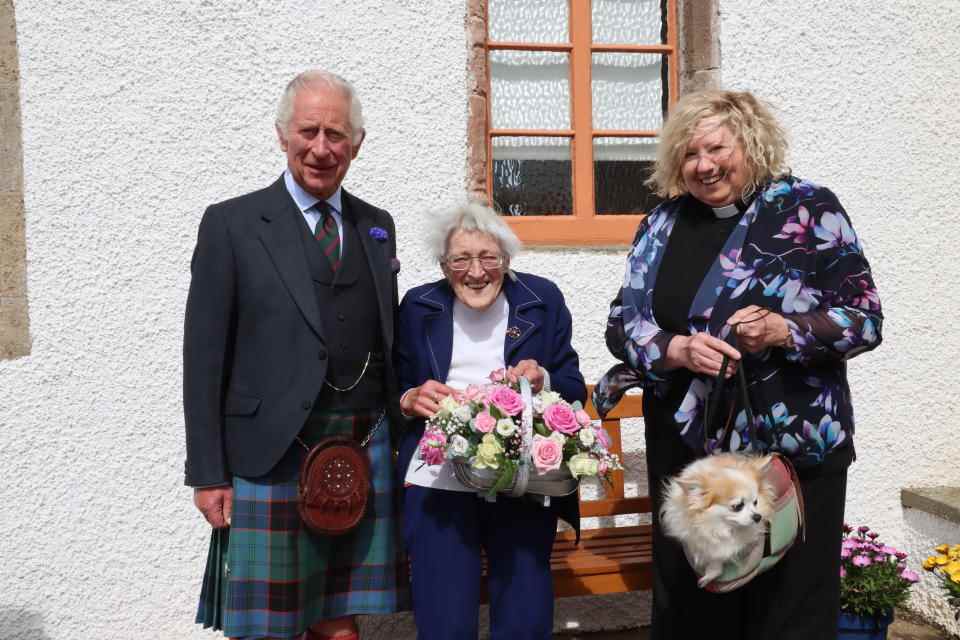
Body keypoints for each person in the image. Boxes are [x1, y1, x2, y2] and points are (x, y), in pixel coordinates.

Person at [595, 90, 883, 639]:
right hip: (689, 450)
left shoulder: (807, 208)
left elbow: (864, 318)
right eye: (689, 153)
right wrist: (675, 348)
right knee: (690, 602)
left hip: (788, 443)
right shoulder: (660, 223)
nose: (704, 165)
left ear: (751, 144)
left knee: (788, 608)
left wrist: (783, 330)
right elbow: (620, 323)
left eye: (716, 149)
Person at [184, 69, 404, 640]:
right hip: (269, 453)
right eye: (309, 131)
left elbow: (386, 340)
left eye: (337, 134)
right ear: (283, 135)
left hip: (362, 444)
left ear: (357, 143)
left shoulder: (377, 227)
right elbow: (203, 357)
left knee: (341, 620)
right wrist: (208, 473)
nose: (322, 148)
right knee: (268, 627)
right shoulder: (232, 225)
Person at [394, 203, 586, 639]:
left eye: (489, 258)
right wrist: (410, 397)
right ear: (443, 265)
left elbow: (574, 384)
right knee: (443, 617)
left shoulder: (542, 300)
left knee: (524, 614)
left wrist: (544, 380)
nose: (476, 272)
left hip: (522, 477)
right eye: (460, 259)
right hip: (437, 476)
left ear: (507, 259)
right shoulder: (418, 306)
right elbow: (394, 386)